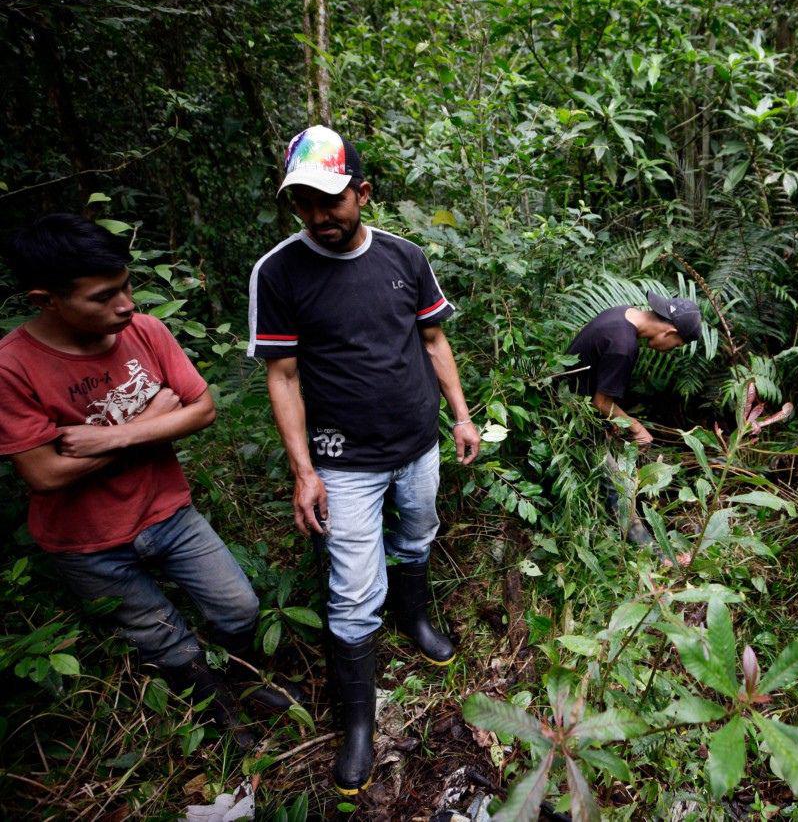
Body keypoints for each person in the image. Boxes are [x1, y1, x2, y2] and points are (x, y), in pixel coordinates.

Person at [0, 214, 299, 750]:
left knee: (239, 607)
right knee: (162, 637)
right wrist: (154, 420)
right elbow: (45, 473)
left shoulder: (145, 331)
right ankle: (219, 715)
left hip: (170, 512)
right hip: (87, 542)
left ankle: (247, 680)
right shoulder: (13, 367)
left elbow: (202, 410)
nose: (126, 305)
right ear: (46, 300)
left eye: (126, 286)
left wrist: (110, 437)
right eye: (103, 297)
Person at [248, 124, 480, 795]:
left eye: (332, 200)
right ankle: (357, 721)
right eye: (305, 203)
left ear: (363, 193)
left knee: (419, 532)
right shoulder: (279, 272)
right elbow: (283, 376)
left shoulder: (405, 257)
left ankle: (416, 618)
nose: (320, 216)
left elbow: (433, 340)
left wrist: (461, 415)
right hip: (342, 459)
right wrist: (304, 473)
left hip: (417, 441)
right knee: (352, 591)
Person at [567, 291, 702, 542]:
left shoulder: (621, 313)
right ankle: (651, 552)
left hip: (571, 403)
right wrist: (636, 427)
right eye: (677, 345)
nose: (671, 350)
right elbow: (601, 402)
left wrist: (612, 422)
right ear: (670, 332)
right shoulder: (624, 347)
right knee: (619, 489)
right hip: (570, 418)